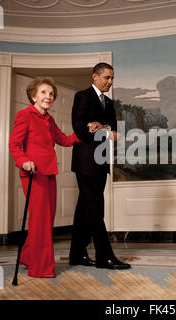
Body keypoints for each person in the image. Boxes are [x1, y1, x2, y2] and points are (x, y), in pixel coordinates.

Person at [9, 76, 82, 278]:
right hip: (32, 175)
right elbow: (14, 145)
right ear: (33, 96)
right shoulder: (24, 115)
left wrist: (84, 132)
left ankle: (27, 256)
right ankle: (40, 268)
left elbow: (65, 140)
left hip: (50, 174)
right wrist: (23, 160)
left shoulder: (50, 120)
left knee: (45, 221)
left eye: (51, 94)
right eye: (43, 92)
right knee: (39, 222)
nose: (48, 96)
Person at [69, 62, 131, 270]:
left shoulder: (110, 102)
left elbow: (115, 129)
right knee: (96, 209)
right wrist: (106, 131)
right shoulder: (82, 96)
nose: (110, 82)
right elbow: (80, 130)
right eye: (107, 78)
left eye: (112, 78)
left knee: (84, 209)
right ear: (95, 77)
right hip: (85, 162)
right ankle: (105, 257)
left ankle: (77, 254)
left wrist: (101, 127)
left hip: (102, 161)